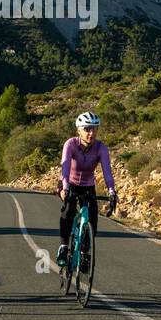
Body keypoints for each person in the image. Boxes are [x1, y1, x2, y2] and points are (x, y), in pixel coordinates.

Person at [56, 111, 117, 268]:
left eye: (94, 129)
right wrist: (65, 187)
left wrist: (111, 191)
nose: (91, 133)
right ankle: (64, 246)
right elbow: (65, 167)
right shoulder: (70, 144)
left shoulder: (101, 148)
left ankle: (84, 252)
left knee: (92, 219)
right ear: (79, 130)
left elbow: (107, 172)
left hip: (88, 186)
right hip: (70, 183)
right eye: (87, 129)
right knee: (68, 210)